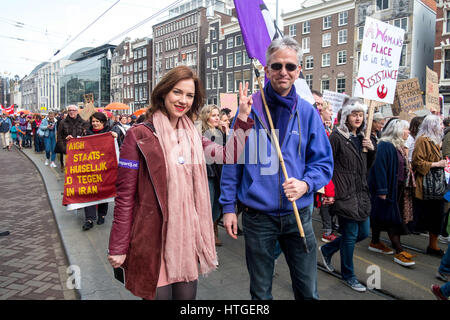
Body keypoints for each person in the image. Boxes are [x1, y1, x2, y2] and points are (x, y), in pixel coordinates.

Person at [108, 65, 254, 300]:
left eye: (189, 95)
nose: (183, 100)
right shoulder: (139, 135)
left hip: (185, 240)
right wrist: (118, 245)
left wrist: (244, 117)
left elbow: (229, 155)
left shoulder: (194, 135)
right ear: (164, 92)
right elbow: (124, 195)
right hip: (153, 240)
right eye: (177, 92)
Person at [220, 37, 334, 300]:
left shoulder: (307, 113)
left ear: (299, 70)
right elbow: (232, 161)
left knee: (307, 291)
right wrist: (228, 207)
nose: (284, 72)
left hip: (299, 215)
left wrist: (306, 183)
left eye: (290, 66)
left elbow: (324, 163)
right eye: (277, 65)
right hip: (258, 217)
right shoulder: (248, 109)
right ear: (267, 69)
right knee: (260, 293)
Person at [319, 98, 375, 292]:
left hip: (360, 194)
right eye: (354, 114)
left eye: (361, 115)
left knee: (363, 233)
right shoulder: (336, 137)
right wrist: (329, 191)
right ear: (346, 117)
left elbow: (366, 168)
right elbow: (326, 164)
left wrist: (371, 150)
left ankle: (328, 249)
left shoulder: (362, 138)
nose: (358, 118)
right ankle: (348, 275)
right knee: (350, 235)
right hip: (344, 194)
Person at [368, 119, 417, 266]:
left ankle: (375, 242)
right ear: (398, 130)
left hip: (394, 188)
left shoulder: (396, 146)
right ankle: (399, 250)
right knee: (392, 220)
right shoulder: (385, 145)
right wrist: (382, 190)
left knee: (381, 216)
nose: (408, 132)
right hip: (386, 189)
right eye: (406, 129)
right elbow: (380, 168)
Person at [411, 115, 447, 257]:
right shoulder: (422, 140)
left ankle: (433, 245)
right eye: (440, 124)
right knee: (424, 215)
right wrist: (437, 164)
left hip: (436, 185)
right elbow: (417, 163)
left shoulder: (437, 141)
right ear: (432, 125)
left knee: (437, 215)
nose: (443, 127)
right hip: (426, 185)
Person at [81, 112, 118, 231]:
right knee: (89, 192)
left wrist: (116, 138)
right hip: (89, 168)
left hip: (104, 168)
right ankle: (89, 219)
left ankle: (102, 214)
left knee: (103, 191)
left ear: (103, 122)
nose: (95, 124)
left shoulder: (110, 133)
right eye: (93, 121)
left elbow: (120, 147)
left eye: (98, 121)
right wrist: (71, 140)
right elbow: (79, 147)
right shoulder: (86, 133)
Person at [200, 104, 225, 246]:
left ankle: (210, 233)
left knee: (216, 207)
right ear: (206, 116)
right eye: (214, 115)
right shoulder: (202, 133)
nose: (217, 118)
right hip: (207, 174)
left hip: (218, 174)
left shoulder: (219, 132)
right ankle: (204, 240)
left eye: (218, 115)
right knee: (207, 208)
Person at [317, 101, 337, 243]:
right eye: (329, 110)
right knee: (325, 200)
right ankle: (327, 231)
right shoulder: (320, 129)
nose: (331, 112)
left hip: (329, 170)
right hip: (322, 170)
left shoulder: (327, 128)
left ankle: (329, 228)